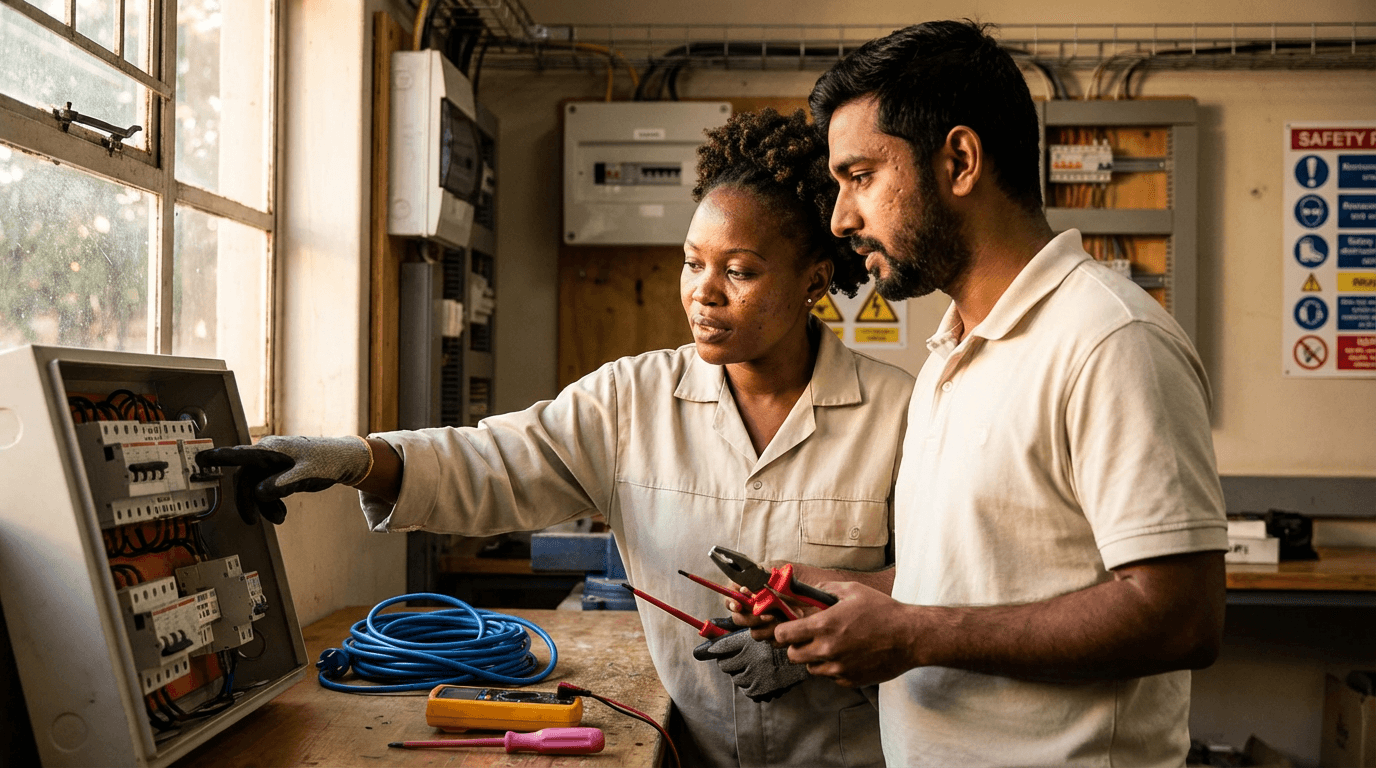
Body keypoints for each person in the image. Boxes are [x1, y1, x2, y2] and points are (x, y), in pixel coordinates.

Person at [200, 108, 914, 767]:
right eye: (693, 262)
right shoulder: (632, 398)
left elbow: (943, 586)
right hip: (689, 752)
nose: (703, 291)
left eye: (740, 271)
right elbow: (494, 461)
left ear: (816, 280)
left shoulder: (897, 413)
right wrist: (358, 459)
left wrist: (820, 645)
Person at [729, 21, 1229, 768]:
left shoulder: (1109, 340)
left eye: (860, 177)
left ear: (960, 161)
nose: (839, 218)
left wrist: (914, 635)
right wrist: (846, 594)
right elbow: (971, 578)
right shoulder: (950, 352)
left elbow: (1180, 616)